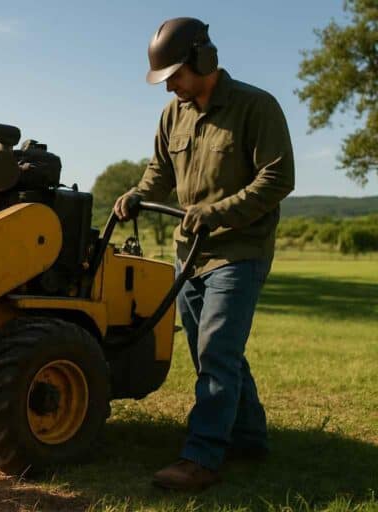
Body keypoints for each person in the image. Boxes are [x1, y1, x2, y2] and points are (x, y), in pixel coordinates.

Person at [114, 17, 295, 491]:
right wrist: (137, 194)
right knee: (212, 352)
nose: (169, 86)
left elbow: (278, 178)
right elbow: (159, 171)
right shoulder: (172, 114)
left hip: (239, 251)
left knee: (216, 349)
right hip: (189, 253)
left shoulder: (256, 107)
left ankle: (202, 456)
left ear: (203, 59)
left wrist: (217, 212)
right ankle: (249, 437)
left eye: (174, 75)